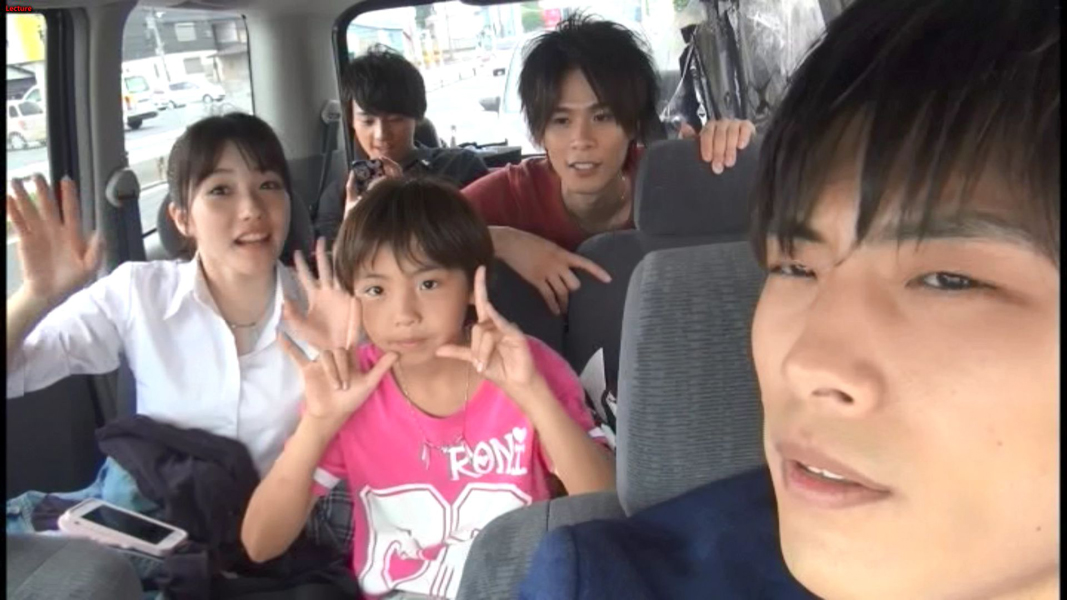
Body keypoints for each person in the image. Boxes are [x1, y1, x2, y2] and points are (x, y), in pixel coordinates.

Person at [519, 0, 1059, 598]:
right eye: (794, 267)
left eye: (949, 280)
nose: (802, 363)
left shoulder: (680, 169)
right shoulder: (600, 578)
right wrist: (497, 242)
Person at [6, 113, 356, 591]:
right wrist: (35, 297)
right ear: (182, 217)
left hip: (267, 542)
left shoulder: (327, 309)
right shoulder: (139, 292)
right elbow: (16, 372)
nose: (251, 208)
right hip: (148, 531)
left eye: (269, 185)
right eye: (220, 190)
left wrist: (347, 355)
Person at [241, 177, 615, 599]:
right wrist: (319, 423)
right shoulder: (351, 390)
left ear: (472, 285)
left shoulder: (524, 366)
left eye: (428, 284)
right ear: (353, 298)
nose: (404, 314)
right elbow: (259, 543)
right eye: (376, 290)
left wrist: (533, 396)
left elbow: (608, 512)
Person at [462, 14, 756, 315]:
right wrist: (501, 241)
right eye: (561, 121)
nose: (581, 140)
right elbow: (427, 232)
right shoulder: (511, 196)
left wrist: (733, 152)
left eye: (602, 117)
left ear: (634, 125)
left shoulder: (668, 179)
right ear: (539, 133)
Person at [314, 46, 490, 246]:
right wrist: (352, 226)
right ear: (351, 121)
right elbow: (330, 262)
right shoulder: (339, 195)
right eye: (368, 121)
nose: (381, 134)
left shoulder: (460, 167)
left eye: (395, 120)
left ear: (417, 117)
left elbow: (482, 244)